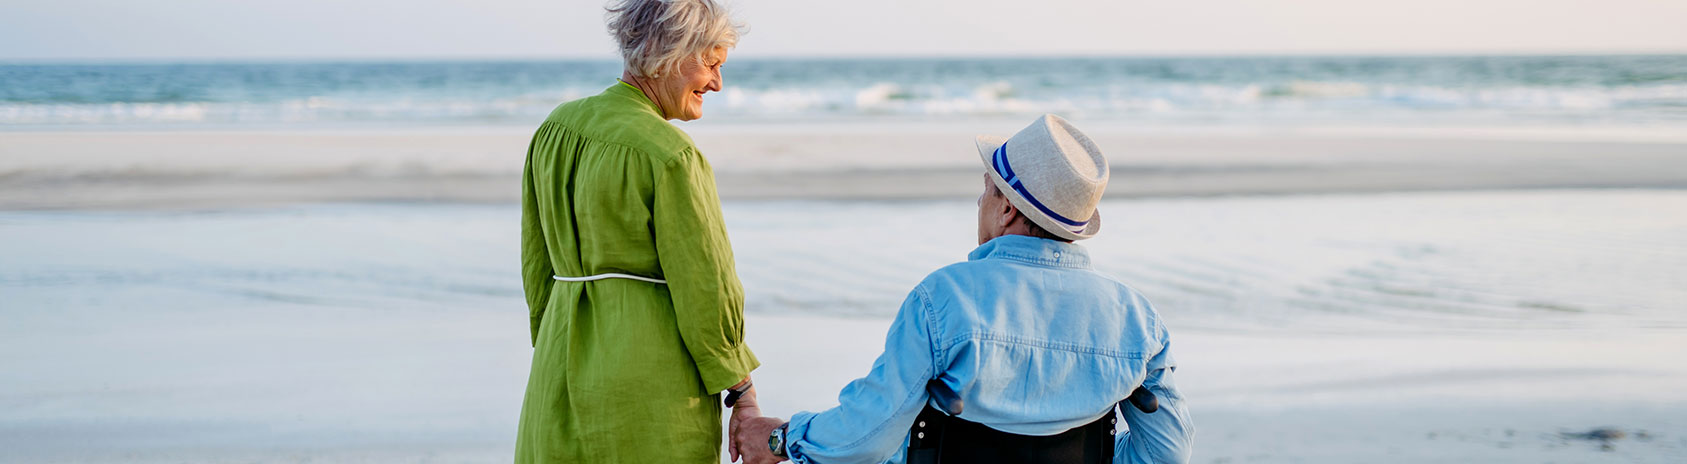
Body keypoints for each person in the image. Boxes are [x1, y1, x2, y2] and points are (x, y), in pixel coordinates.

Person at [732, 114, 1195, 464]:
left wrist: (781, 438)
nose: (980, 201)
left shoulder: (945, 299)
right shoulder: (1137, 321)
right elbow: (1168, 452)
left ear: (1008, 209)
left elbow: (863, 439)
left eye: (987, 189)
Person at [515, 1, 761, 462]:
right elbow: (706, 288)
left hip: (557, 370)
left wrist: (557, 347)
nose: (717, 82)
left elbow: (536, 267)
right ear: (666, 52)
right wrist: (742, 394)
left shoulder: (554, 130)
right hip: (650, 389)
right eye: (710, 62)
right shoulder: (670, 155)